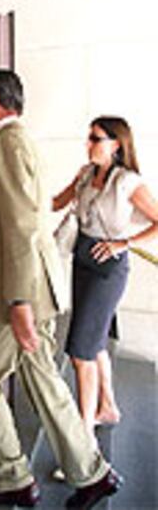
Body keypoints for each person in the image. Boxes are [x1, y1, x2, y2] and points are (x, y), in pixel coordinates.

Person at [0, 70, 122, 509]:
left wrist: (17, 302)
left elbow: (20, 226)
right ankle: (91, 473)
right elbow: (7, 222)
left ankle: (8, 478)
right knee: (46, 384)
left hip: (10, 300)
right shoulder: (9, 143)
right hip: (27, 291)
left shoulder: (8, 143)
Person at [53, 116, 158, 434]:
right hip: (81, 263)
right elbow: (58, 201)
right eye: (89, 138)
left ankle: (83, 442)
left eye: (95, 139)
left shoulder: (129, 181)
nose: (88, 145)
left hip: (107, 272)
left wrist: (122, 243)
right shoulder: (85, 175)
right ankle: (107, 407)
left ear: (115, 145)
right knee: (95, 343)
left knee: (80, 353)